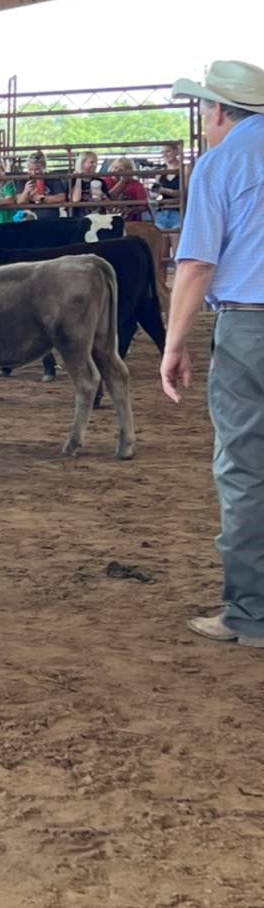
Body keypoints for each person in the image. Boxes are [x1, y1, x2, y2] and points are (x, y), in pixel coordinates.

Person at [160, 60, 264, 648]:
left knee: (247, 467)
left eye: (206, 108)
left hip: (251, 325)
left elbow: (197, 263)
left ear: (220, 111)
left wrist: (175, 341)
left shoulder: (222, 163)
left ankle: (250, 613)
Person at [153, 142, 184, 263]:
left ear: (176, 151)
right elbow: (155, 192)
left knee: (177, 254)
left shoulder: (184, 170)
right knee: (161, 255)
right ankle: (161, 282)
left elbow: (184, 192)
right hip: (162, 212)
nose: (165, 154)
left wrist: (163, 190)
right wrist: (156, 194)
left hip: (177, 212)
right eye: (163, 152)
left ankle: (178, 281)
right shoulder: (160, 172)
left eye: (168, 151)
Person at [104, 157, 150, 221]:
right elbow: (108, 197)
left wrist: (130, 210)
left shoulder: (136, 184)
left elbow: (144, 206)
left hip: (131, 222)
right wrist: (122, 181)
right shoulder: (105, 182)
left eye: (121, 170)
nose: (116, 171)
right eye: (115, 167)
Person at [69, 151, 104, 216]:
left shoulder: (99, 180)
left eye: (96, 162)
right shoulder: (72, 180)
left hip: (98, 216)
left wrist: (102, 195)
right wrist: (79, 178)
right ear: (82, 163)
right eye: (92, 162)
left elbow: (109, 205)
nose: (95, 165)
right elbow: (75, 200)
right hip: (80, 217)